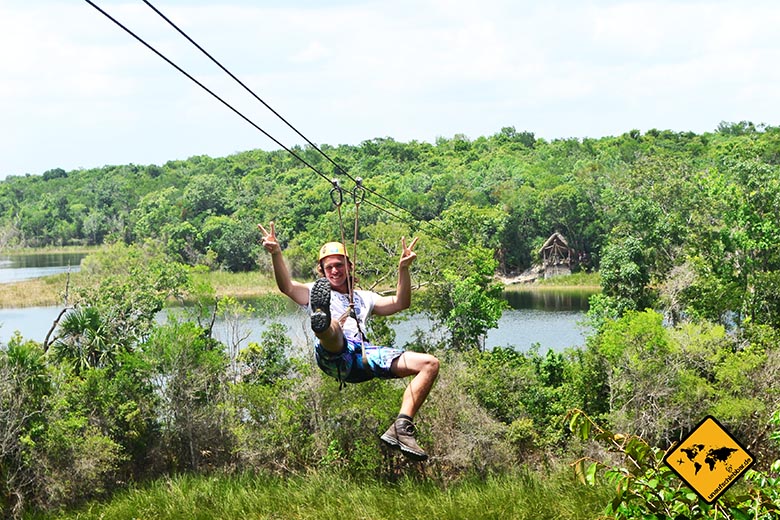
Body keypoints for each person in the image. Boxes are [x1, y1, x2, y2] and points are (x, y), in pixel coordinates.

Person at [258, 221, 440, 461]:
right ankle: (322, 321)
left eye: (339, 265)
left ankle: (402, 427)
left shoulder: (364, 298)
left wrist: (403, 269)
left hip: (363, 355)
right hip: (332, 354)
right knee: (332, 330)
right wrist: (276, 254)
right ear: (321, 272)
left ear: (349, 266)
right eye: (329, 267)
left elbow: (400, 303)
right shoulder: (313, 290)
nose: (335, 271)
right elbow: (287, 287)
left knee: (429, 364)